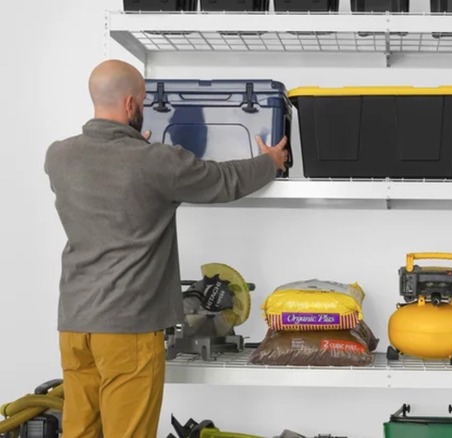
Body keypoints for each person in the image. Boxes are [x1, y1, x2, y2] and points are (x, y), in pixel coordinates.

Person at [44, 59, 288, 438]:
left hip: (75, 325)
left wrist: (137, 155)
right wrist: (269, 162)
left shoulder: (58, 157)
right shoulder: (156, 163)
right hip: (129, 327)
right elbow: (223, 181)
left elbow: (108, 186)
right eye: (142, 101)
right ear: (130, 105)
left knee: (79, 431)